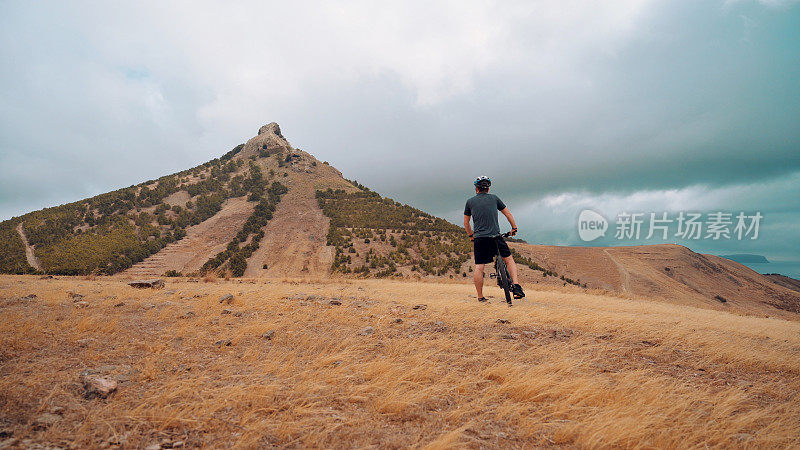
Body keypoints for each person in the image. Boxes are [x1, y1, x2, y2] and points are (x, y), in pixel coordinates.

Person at [463, 176, 525, 304]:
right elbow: (508, 214)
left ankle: (480, 297)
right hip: (495, 237)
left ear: (476, 189)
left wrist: (471, 235)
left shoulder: (470, 202)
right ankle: (517, 286)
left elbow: (466, 223)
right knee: (508, 260)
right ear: (488, 188)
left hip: (480, 238)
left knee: (479, 267)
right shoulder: (494, 198)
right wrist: (514, 228)